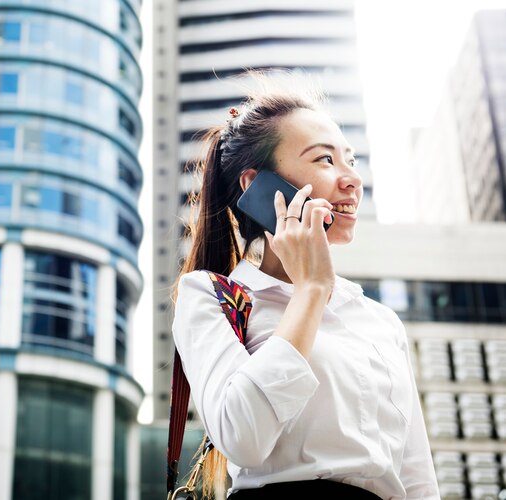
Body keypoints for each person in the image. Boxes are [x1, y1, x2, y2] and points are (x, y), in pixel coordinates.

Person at [171, 71, 439, 499]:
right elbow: (243, 437)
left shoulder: (379, 320)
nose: (350, 179)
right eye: (324, 160)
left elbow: (416, 477)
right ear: (257, 185)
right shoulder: (212, 296)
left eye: (350, 159)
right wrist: (310, 291)